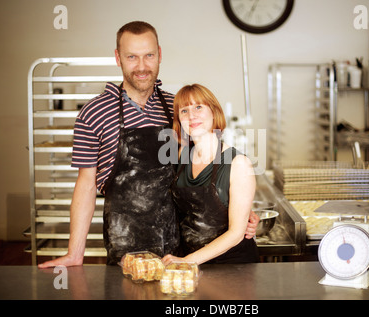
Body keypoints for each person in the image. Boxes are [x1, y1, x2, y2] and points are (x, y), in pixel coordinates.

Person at [38, 21, 259, 268]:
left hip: (177, 248)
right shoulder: (93, 113)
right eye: (132, 56)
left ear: (159, 55)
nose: (141, 66)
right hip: (126, 245)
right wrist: (74, 252)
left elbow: (202, 170)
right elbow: (86, 185)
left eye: (149, 55)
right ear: (117, 58)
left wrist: (237, 216)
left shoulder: (176, 108)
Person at [162, 84, 259, 265]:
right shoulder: (181, 157)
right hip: (189, 262)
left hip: (232, 267)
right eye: (184, 111)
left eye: (199, 107)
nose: (192, 116)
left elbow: (236, 234)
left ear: (214, 112)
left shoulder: (238, 163)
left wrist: (186, 262)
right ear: (179, 120)